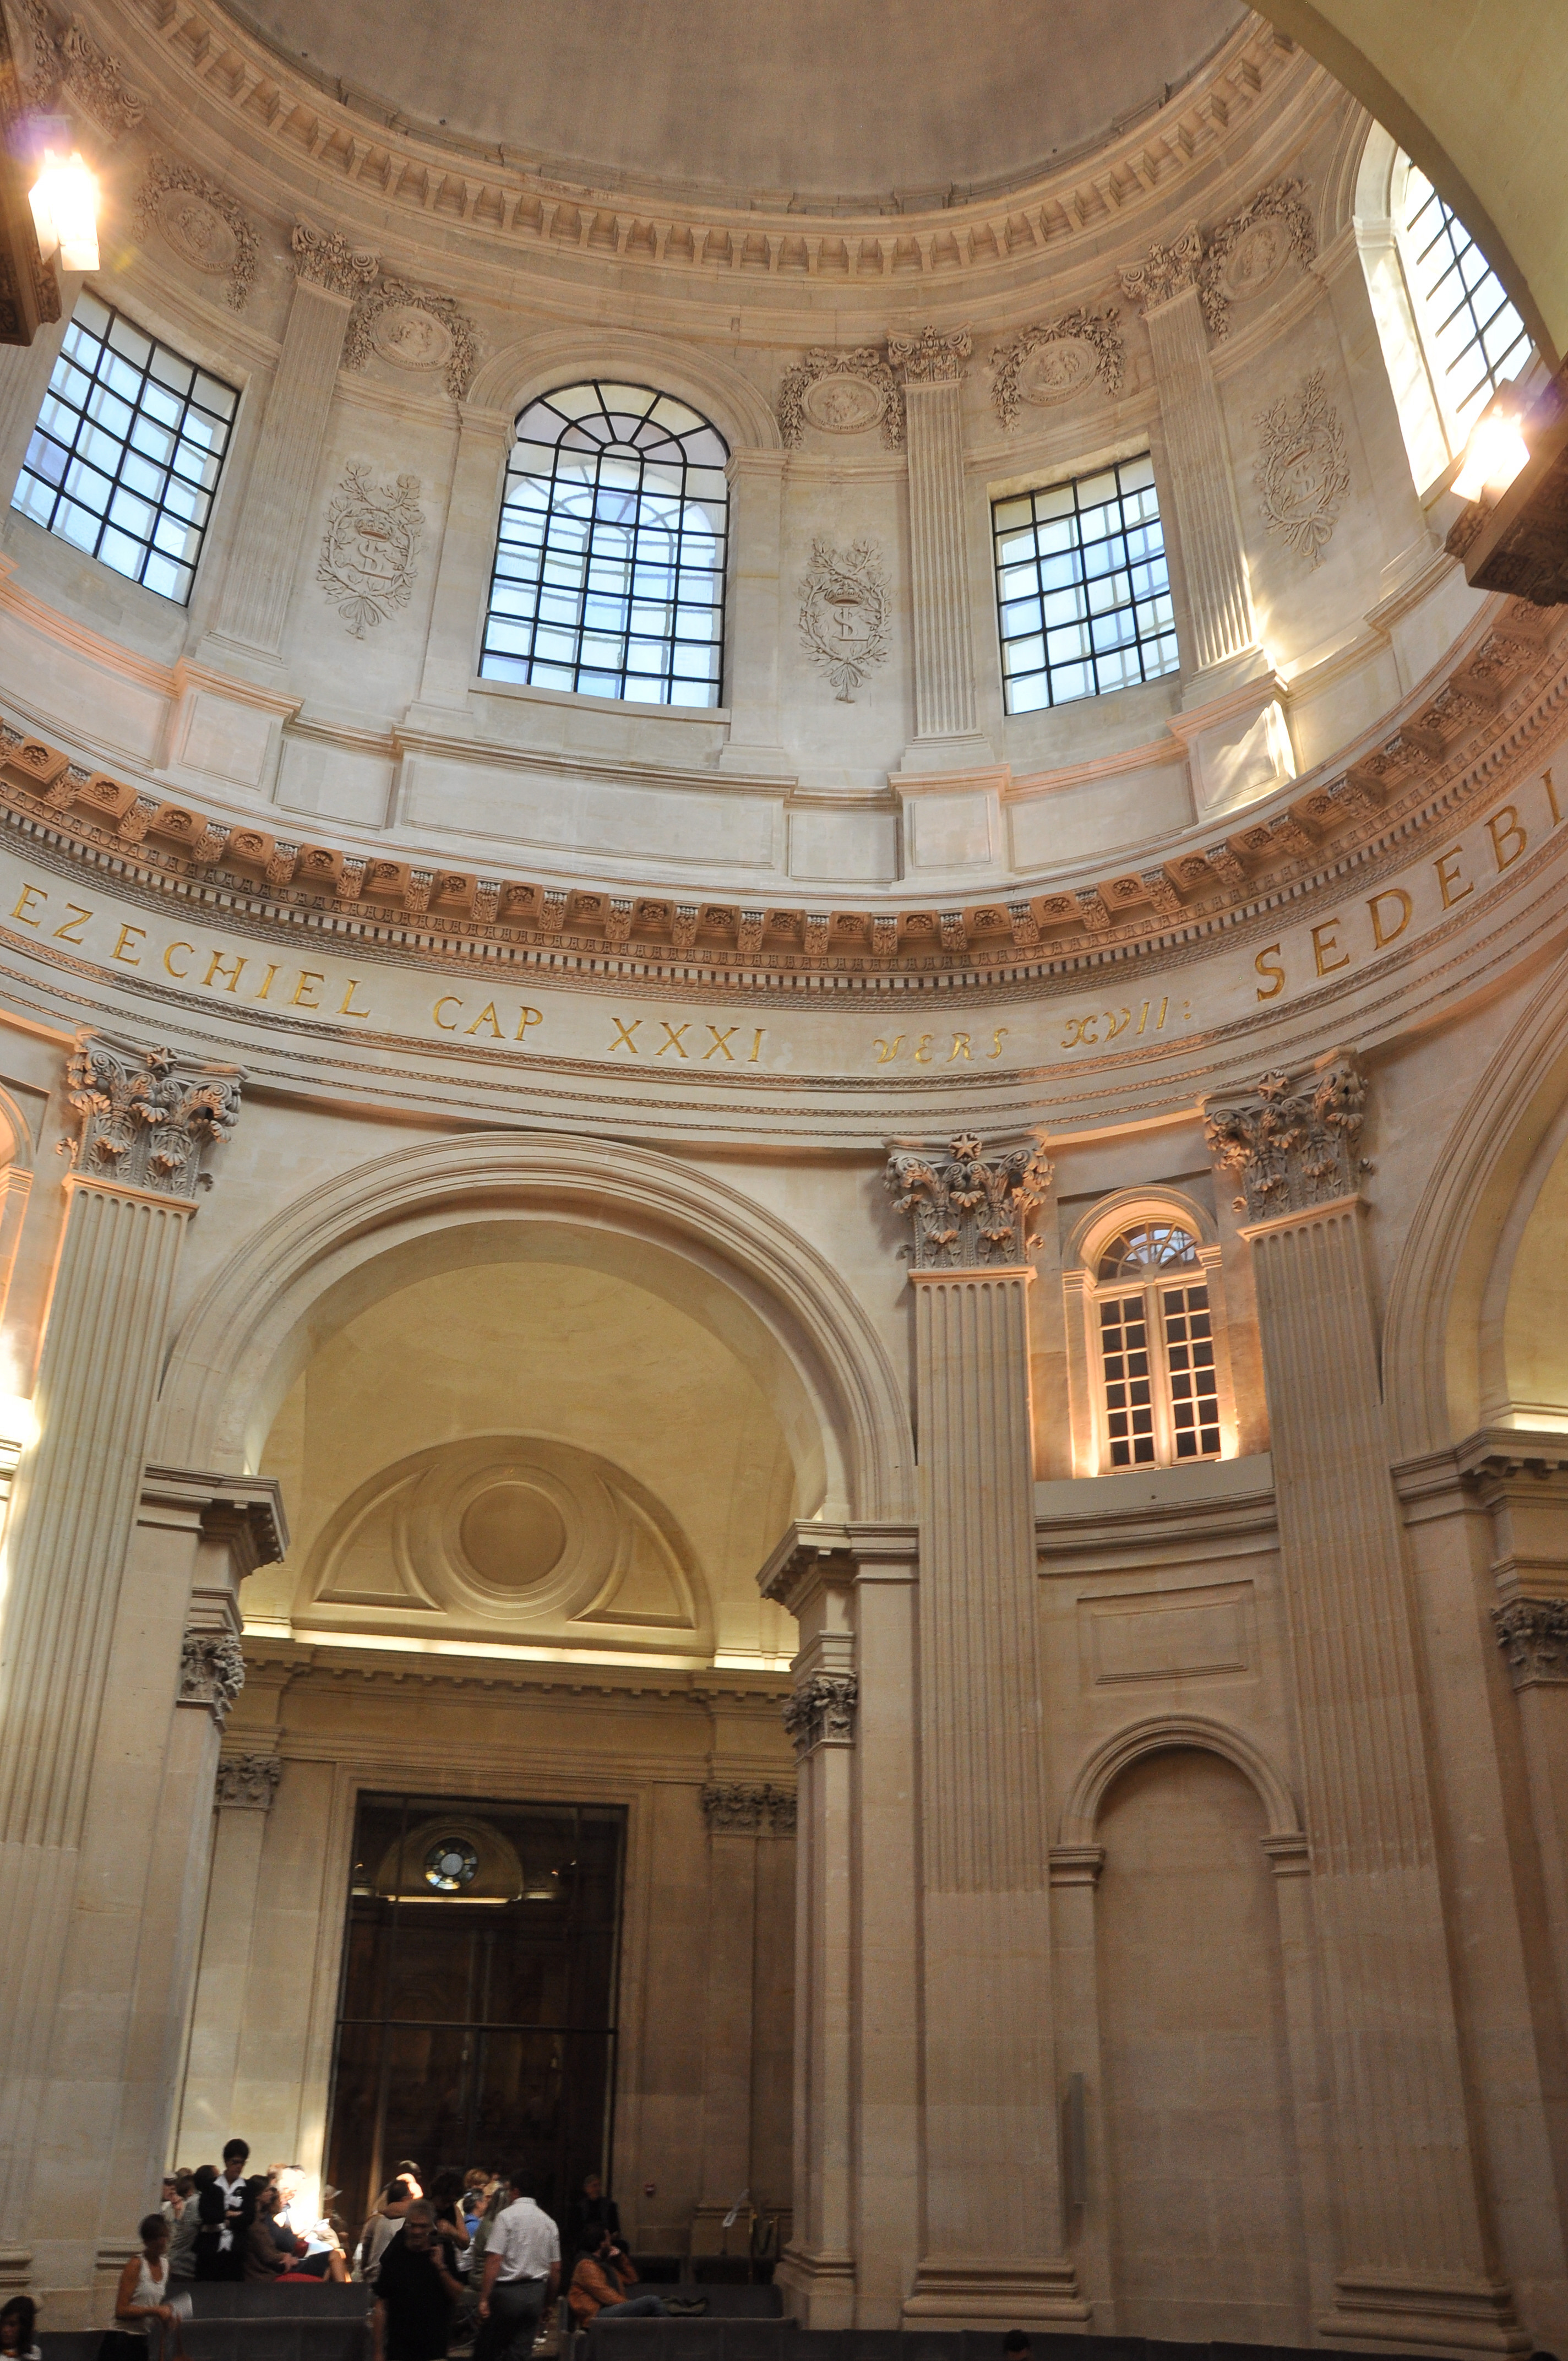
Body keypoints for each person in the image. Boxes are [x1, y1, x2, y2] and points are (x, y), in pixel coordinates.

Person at [477, 2170, 559, 2361]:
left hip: (508, 2294)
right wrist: (548, 2302)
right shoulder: (549, 2222)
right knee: (521, 2352)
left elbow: (494, 2259)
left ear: (515, 2192)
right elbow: (556, 2268)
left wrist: (484, 2298)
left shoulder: (505, 2217)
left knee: (491, 2348)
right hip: (536, 2292)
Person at [373, 2203, 463, 2361]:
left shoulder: (443, 2248)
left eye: (423, 2226)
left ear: (431, 2227)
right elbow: (381, 2305)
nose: (417, 2231)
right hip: (399, 2347)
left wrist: (441, 2267)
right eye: (413, 2226)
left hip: (434, 2346)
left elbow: (457, 2295)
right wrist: (378, 2352)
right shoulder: (395, 2252)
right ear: (406, 2226)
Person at [106, 2214, 182, 2361]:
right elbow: (121, 2311)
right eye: (159, 2237)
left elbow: (152, 2305)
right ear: (148, 2241)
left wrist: (167, 2316)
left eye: (165, 2236)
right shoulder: (136, 2265)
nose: (163, 2241)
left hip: (142, 2340)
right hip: (122, 2339)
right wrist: (155, 2311)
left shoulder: (165, 2266)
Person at [567, 2228, 666, 2326]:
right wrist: (630, 2306)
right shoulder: (586, 2266)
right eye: (609, 2240)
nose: (611, 2244)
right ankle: (671, 2334)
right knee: (653, 2302)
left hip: (606, 2310)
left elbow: (632, 2279)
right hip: (595, 2315)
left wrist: (620, 2258)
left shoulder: (603, 2265)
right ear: (602, 2244)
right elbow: (605, 2295)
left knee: (654, 2305)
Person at [243, 2183, 297, 2283]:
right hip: (266, 2274)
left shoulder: (263, 2218)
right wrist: (285, 2257)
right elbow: (269, 2254)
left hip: (275, 2266)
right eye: (267, 2191)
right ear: (258, 2196)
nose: (271, 2194)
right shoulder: (256, 2224)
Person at [0, 2295, 41, 2361]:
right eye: (3, 2323)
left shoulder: (33, 2353)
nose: (5, 2330)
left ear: (23, 2328)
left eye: (12, 2325)